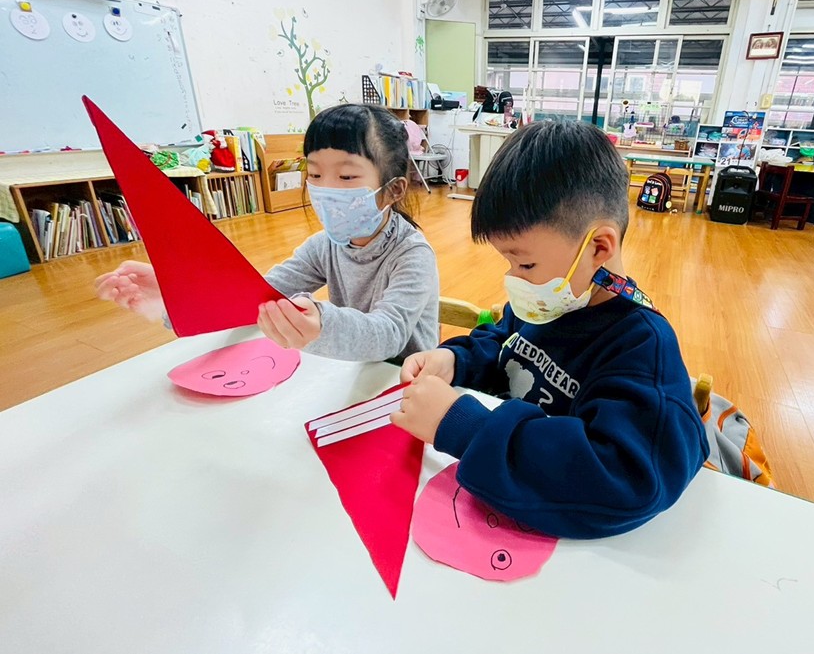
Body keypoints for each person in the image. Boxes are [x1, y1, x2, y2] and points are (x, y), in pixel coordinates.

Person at [391, 120, 709, 539]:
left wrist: (464, 428)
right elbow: (503, 339)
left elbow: (622, 481)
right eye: (508, 262)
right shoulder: (552, 297)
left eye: (525, 264)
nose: (514, 277)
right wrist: (456, 359)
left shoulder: (641, 347)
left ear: (599, 247)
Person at [95, 104, 440, 361]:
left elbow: (388, 335)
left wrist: (321, 323)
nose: (325, 189)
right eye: (315, 175)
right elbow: (256, 298)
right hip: (352, 373)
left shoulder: (412, 255)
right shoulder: (325, 246)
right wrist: (175, 293)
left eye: (347, 177)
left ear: (394, 190)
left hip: (403, 383)